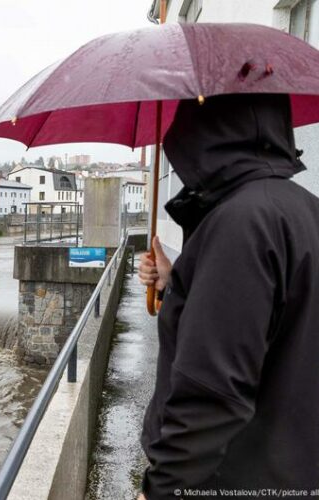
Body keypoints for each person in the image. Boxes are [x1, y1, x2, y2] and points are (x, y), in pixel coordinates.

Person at [136, 93, 319, 499]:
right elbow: (279, 324)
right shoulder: (304, 209)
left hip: (235, 475)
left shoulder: (242, 222)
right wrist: (175, 283)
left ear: (205, 133)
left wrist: (160, 488)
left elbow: (212, 394)